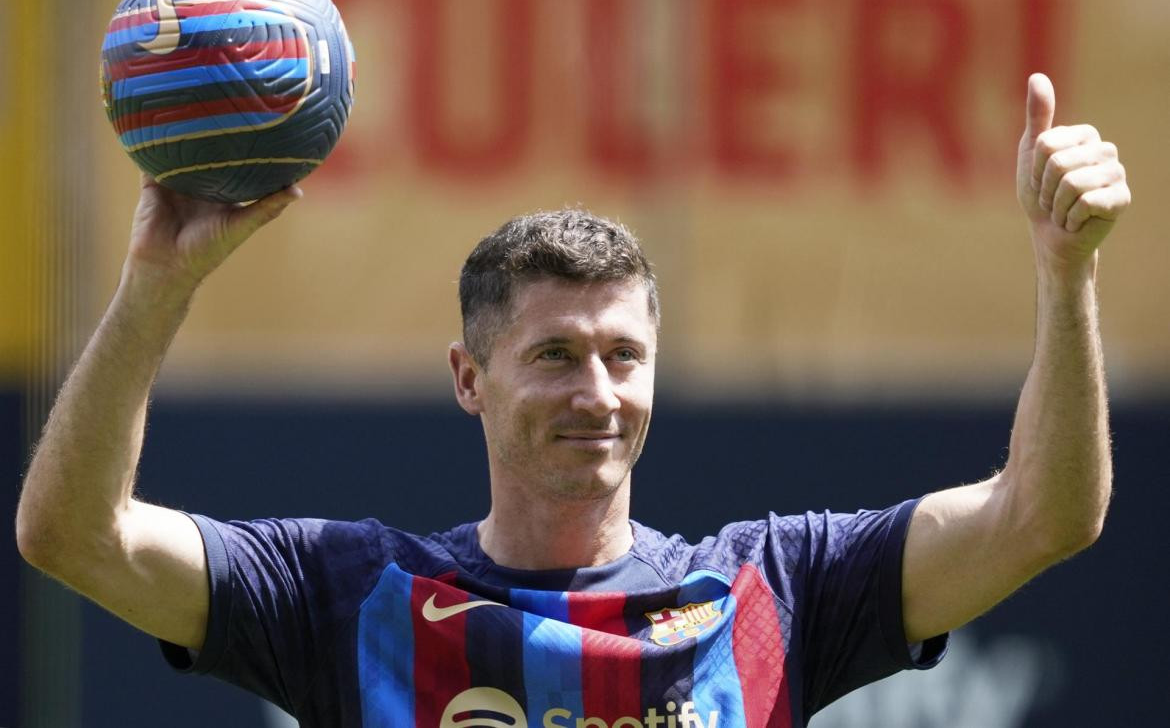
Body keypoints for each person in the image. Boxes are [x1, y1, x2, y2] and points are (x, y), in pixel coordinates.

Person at [16, 74, 1130, 727]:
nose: (596, 392)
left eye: (622, 355)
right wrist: (156, 288)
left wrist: (1064, 270)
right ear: (469, 377)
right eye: (553, 354)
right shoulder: (351, 594)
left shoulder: (770, 588)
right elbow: (74, 535)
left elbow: (1045, 513)